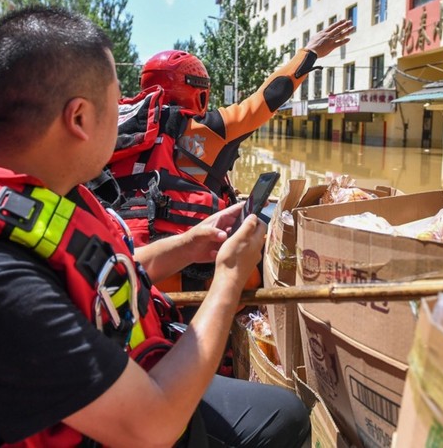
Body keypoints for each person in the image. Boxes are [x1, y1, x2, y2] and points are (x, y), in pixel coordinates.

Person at [0, 6, 310, 447]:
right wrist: (228, 278)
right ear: (79, 117)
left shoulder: (6, 186)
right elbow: (153, 427)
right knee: (281, 420)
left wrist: (186, 245)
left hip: (96, 379)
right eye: (117, 104)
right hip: (132, 419)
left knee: (282, 412)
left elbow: (87, 276)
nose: (130, 119)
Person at [98, 19, 354, 294]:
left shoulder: (113, 130)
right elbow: (267, 98)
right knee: (266, 255)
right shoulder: (208, 128)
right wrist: (309, 53)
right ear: (200, 94)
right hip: (181, 274)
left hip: (119, 266)